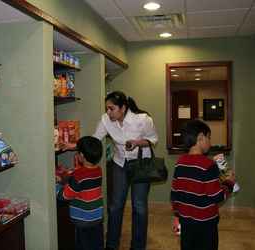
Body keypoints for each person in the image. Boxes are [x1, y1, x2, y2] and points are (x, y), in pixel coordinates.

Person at [93, 91, 158, 250]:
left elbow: (153, 140)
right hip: (119, 163)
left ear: (123, 108)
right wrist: (77, 146)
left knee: (139, 206)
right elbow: (95, 139)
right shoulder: (105, 119)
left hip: (141, 164)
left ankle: (137, 246)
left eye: (111, 109)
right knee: (115, 206)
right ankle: (112, 245)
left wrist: (137, 142)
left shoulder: (143, 119)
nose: (108, 112)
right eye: (107, 109)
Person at [171, 119, 235, 250]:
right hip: (206, 224)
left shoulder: (180, 163)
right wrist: (229, 183)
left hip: (186, 222)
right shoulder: (208, 165)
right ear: (200, 138)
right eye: (209, 138)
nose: (210, 142)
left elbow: (175, 194)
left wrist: (177, 216)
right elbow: (217, 196)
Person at [56, 136, 104, 250]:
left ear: (81, 156)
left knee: (83, 245)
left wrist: (56, 186)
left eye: (78, 152)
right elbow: (84, 183)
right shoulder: (98, 170)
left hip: (83, 220)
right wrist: (68, 176)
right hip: (96, 217)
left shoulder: (78, 176)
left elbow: (64, 195)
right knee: (96, 244)